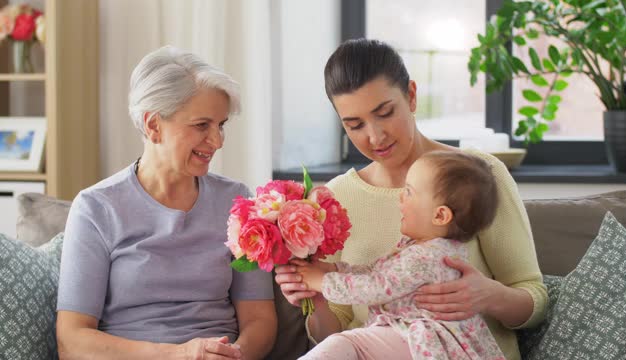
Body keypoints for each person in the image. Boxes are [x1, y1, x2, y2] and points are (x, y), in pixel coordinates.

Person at [275, 39, 548, 360]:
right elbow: (336, 335)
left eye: (385, 113)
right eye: (355, 125)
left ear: (412, 96)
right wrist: (315, 294)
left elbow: (534, 297)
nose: (375, 136)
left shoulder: (477, 175)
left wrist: (489, 296)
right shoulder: (334, 198)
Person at [56, 46, 276, 360]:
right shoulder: (97, 208)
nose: (217, 141)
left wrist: (232, 355)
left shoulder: (236, 201)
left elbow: (260, 319)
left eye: (221, 125)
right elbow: (72, 340)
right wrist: (178, 355)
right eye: (202, 125)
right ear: (153, 125)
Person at [296, 151, 505, 360]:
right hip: (407, 338)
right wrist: (334, 269)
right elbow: (375, 271)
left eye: (409, 191)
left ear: (440, 215)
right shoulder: (424, 247)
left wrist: (322, 282)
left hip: (422, 340)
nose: (400, 196)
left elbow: (376, 287)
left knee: (344, 344)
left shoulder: (427, 257)